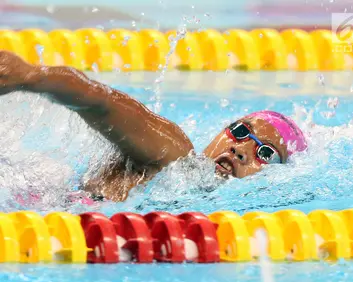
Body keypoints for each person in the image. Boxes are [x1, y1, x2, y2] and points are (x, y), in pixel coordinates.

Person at [0, 50, 307, 202]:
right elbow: (101, 101)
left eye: (264, 153)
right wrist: (32, 77)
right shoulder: (174, 153)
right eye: (240, 132)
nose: (241, 150)